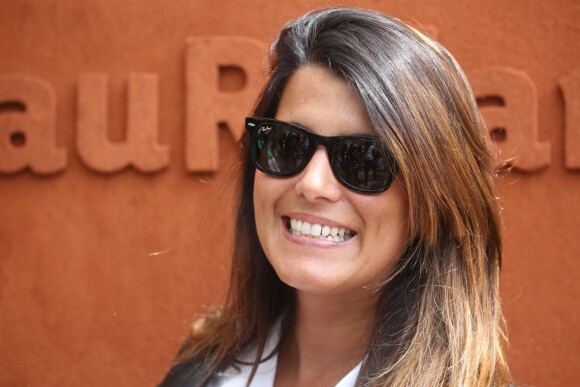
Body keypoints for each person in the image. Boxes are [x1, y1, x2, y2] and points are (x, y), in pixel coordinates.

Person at [159, 7, 511, 386]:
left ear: (435, 202)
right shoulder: (205, 367)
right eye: (288, 144)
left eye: (364, 159)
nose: (312, 184)